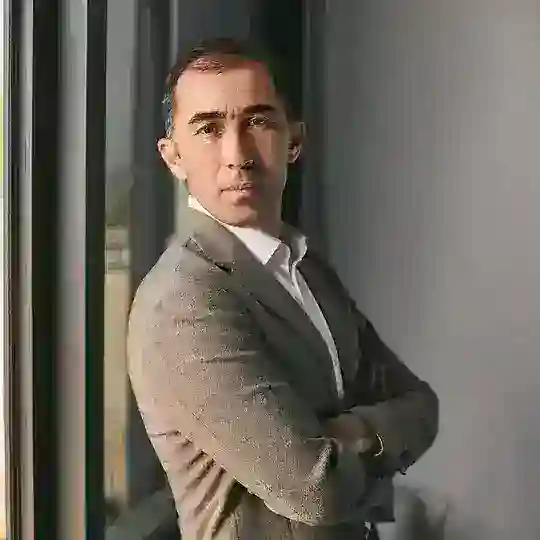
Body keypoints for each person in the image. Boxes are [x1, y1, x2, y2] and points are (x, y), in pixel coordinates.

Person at [127, 38, 439, 540]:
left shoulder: (307, 269)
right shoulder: (184, 301)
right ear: (173, 156)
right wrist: (369, 441)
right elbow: (314, 488)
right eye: (208, 129)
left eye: (258, 122)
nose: (237, 155)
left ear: (294, 140)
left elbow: (421, 405)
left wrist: (342, 439)